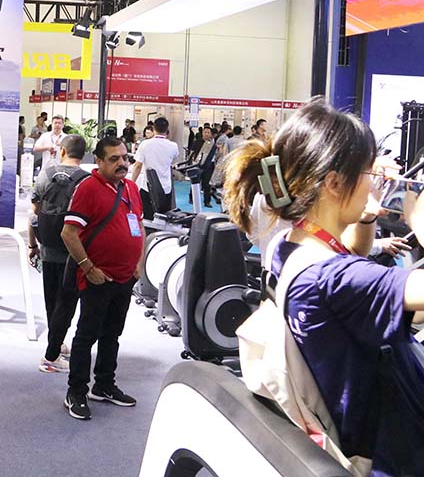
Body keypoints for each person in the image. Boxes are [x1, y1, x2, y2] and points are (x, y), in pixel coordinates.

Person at [223, 98, 424, 475]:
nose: (373, 183)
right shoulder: (334, 279)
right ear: (333, 182)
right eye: (367, 172)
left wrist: (365, 217)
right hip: (392, 457)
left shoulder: (290, 246)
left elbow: (353, 253)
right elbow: (349, 278)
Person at [57, 135, 142, 420]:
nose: (122, 163)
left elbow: (138, 224)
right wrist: (88, 267)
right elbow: (68, 233)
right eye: (114, 159)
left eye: (125, 158)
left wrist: (138, 262)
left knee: (112, 334)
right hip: (98, 278)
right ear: (99, 161)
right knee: (87, 335)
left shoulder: (131, 188)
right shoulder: (88, 188)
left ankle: (104, 384)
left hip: (125, 277)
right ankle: (76, 392)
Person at [32, 134, 88, 373]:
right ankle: (51, 355)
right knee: (67, 302)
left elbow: (34, 212)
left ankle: (55, 342)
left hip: (47, 246)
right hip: (73, 251)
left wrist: (32, 245)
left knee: (51, 300)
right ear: (83, 154)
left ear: (62, 151)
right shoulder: (86, 180)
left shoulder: (46, 174)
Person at [130, 116, 179, 218]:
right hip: (166, 188)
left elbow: (138, 165)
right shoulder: (173, 146)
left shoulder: (145, 144)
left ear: (154, 129)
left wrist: (132, 183)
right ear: (167, 129)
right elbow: (173, 161)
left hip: (148, 187)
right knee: (164, 218)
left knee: (147, 218)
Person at [189, 126, 218, 207]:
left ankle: (207, 201)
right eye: (205, 132)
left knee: (207, 184)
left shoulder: (213, 144)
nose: (206, 134)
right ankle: (192, 198)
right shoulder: (197, 142)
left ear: (211, 134)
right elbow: (192, 153)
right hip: (197, 165)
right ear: (202, 133)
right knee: (195, 182)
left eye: (208, 132)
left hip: (208, 166)